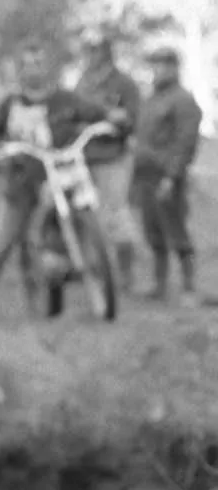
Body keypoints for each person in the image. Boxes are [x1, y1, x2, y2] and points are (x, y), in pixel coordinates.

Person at [0, 42, 108, 314]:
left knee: (47, 243)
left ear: (48, 67)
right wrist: (3, 148)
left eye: (38, 63)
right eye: (27, 65)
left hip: (57, 183)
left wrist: (115, 118)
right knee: (2, 245)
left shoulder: (65, 100)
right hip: (20, 185)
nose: (33, 70)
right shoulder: (11, 103)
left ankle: (48, 305)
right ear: (20, 70)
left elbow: (98, 114)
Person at [129, 44, 203, 306]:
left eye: (161, 65)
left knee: (177, 232)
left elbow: (186, 143)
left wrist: (171, 177)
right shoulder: (151, 99)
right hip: (145, 177)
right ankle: (159, 285)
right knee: (153, 232)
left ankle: (189, 288)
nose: (156, 70)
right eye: (154, 65)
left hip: (167, 177)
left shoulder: (183, 100)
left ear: (173, 68)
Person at [73, 31, 142, 294]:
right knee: (86, 215)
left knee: (116, 214)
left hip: (113, 158)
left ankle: (126, 274)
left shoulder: (124, 84)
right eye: (88, 49)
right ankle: (90, 269)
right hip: (83, 158)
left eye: (95, 49)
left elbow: (132, 120)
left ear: (106, 51)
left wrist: (117, 119)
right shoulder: (83, 81)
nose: (90, 54)